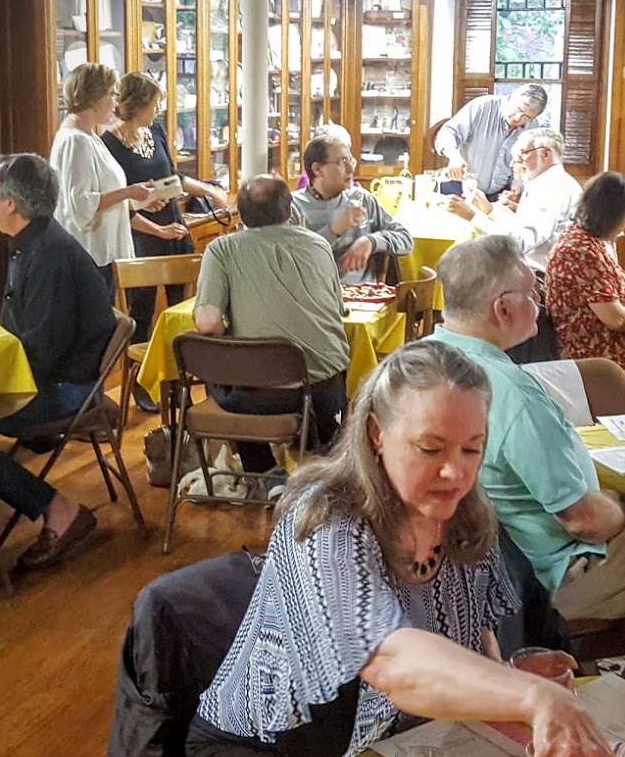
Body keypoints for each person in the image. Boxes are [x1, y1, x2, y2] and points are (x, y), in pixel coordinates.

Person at [186, 341, 625, 757]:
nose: (455, 472)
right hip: (268, 753)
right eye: (431, 449)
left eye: (472, 449)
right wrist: (530, 697)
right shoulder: (325, 519)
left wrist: (502, 677)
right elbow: (388, 659)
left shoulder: (466, 517)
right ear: (376, 434)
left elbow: (474, 636)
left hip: (393, 744)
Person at [427, 235, 625, 701]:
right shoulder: (511, 392)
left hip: (449, 568)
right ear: (502, 308)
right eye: (533, 292)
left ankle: (598, 679)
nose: (541, 303)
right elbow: (582, 520)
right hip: (541, 577)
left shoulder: (417, 361)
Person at [0, 154, 114, 570]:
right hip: (51, 377)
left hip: (69, 389)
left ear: (11, 203)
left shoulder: (49, 256)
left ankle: (59, 510)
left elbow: (42, 353)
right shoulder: (34, 242)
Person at [193, 175, 352, 492]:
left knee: (223, 367)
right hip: (324, 391)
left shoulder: (222, 249)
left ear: (240, 214)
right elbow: (337, 308)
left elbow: (207, 324)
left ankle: (266, 473)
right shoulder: (318, 244)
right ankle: (321, 468)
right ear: (290, 210)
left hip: (259, 396)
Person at [102, 73, 228, 411]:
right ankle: (143, 384)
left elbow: (175, 178)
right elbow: (116, 200)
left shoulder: (155, 131)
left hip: (174, 227)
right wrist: (147, 213)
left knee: (182, 308)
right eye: (154, 104)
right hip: (140, 234)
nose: (158, 110)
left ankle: (180, 377)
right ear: (138, 105)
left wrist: (210, 191)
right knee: (142, 312)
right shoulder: (108, 143)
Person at [49, 62, 156, 293]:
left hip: (101, 257)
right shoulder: (75, 141)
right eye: (112, 95)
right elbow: (81, 204)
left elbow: (103, 193)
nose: (116, 102)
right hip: (89, 258)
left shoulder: (88, 135)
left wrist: (136, 200)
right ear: (95, 97)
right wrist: (128, 192)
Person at [546, 171, 625, 372]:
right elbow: (617, 319)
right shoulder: (581, 251)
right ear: (610, 216)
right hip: (597, 360)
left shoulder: (584, 241)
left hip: (606, 351)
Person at [449, 127, 580, 273]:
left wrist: (473, 217)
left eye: (523, 154)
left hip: (538, 275)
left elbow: (520, 243)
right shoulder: (549, 182)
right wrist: (490, 211)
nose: (516, 162)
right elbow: (522, 229)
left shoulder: (551, 187)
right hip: (532, 267)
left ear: (546, 153)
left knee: (460, 265)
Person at [290, 133, 413, 283]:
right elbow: (294, 261)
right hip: (315, 293)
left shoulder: (362, 199)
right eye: (342, 162)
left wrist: (372, 241)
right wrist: (333, 231)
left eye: (351, 161)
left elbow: (406, 238)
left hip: (364, 293)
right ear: (317, 169)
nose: (351, 169)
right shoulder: (293, 206)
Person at [435, 84, 549, 197]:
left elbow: (527, 163)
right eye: (517, 109)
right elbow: (448, 133)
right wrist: (454, 157)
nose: (518, 118)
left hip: (499, 194)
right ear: (511, 97)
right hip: (459, 187)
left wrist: (517, 186)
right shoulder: (482, 106)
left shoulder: (532, 126)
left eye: (526, 117)